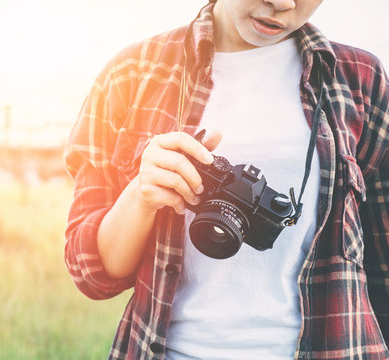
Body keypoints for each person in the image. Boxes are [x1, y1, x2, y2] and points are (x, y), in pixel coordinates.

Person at [63, 0, 389, 359]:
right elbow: (90, 274)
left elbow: (383, 263)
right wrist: (140, 198)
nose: (281, 3)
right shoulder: (130, 74)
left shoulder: (360, 80)